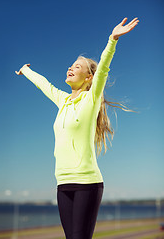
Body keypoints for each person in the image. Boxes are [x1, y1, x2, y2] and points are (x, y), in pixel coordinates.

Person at [15, 17, 139, 239]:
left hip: (87, 183)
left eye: (78, 66)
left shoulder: (91, 100)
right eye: (71, 65)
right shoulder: (62, 101)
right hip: (62, 183)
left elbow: (102, 69)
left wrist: (113, 39)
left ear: (88, 77)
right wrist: (25, 70)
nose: (71, 68)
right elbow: (45, 85)